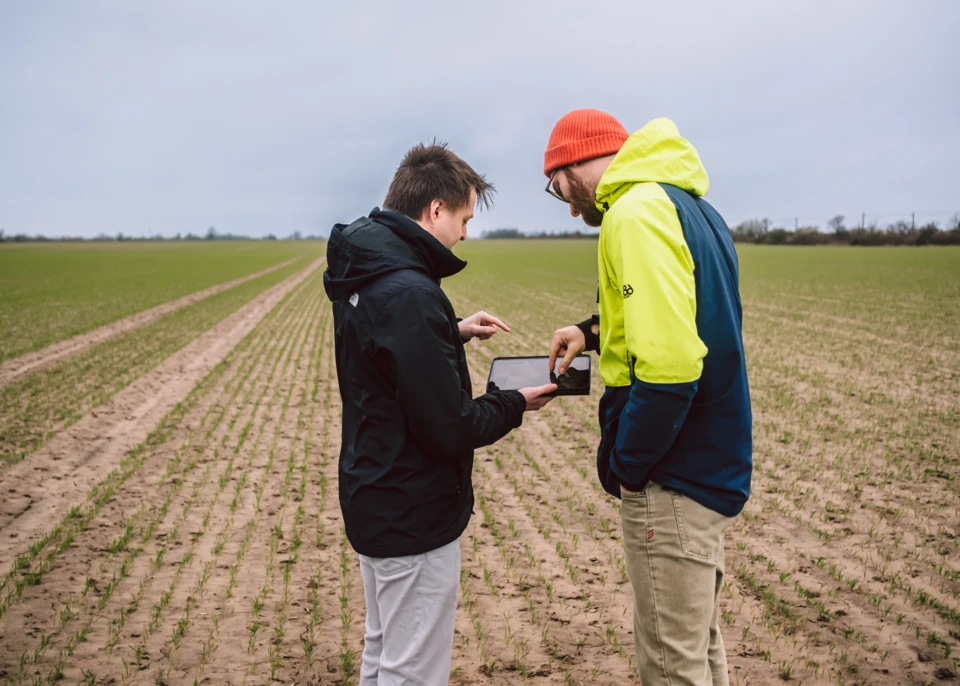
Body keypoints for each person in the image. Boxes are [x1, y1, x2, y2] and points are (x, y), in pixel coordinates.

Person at [323, 142, 557, 686]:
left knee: (384, 656)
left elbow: (382, 362)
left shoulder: (366, 274)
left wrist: (448, 334)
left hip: (374, 493)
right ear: (434, 210)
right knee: (413, 672)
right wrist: (515, 402)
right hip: (413, 512)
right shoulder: (410, 293)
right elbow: (449, 427)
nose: (465, 234)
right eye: (464, 218)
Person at [543, 110, 752, 686]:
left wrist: (628, 464)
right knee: (698, 648)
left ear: (574, 160)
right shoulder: (691, 207)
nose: (564, 203)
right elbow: (680, 312)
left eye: (556, 185)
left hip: (672, 473)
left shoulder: (632, 214)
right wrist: (590, 331)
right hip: (709, 457)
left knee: (670, 665)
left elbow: (671, 365)